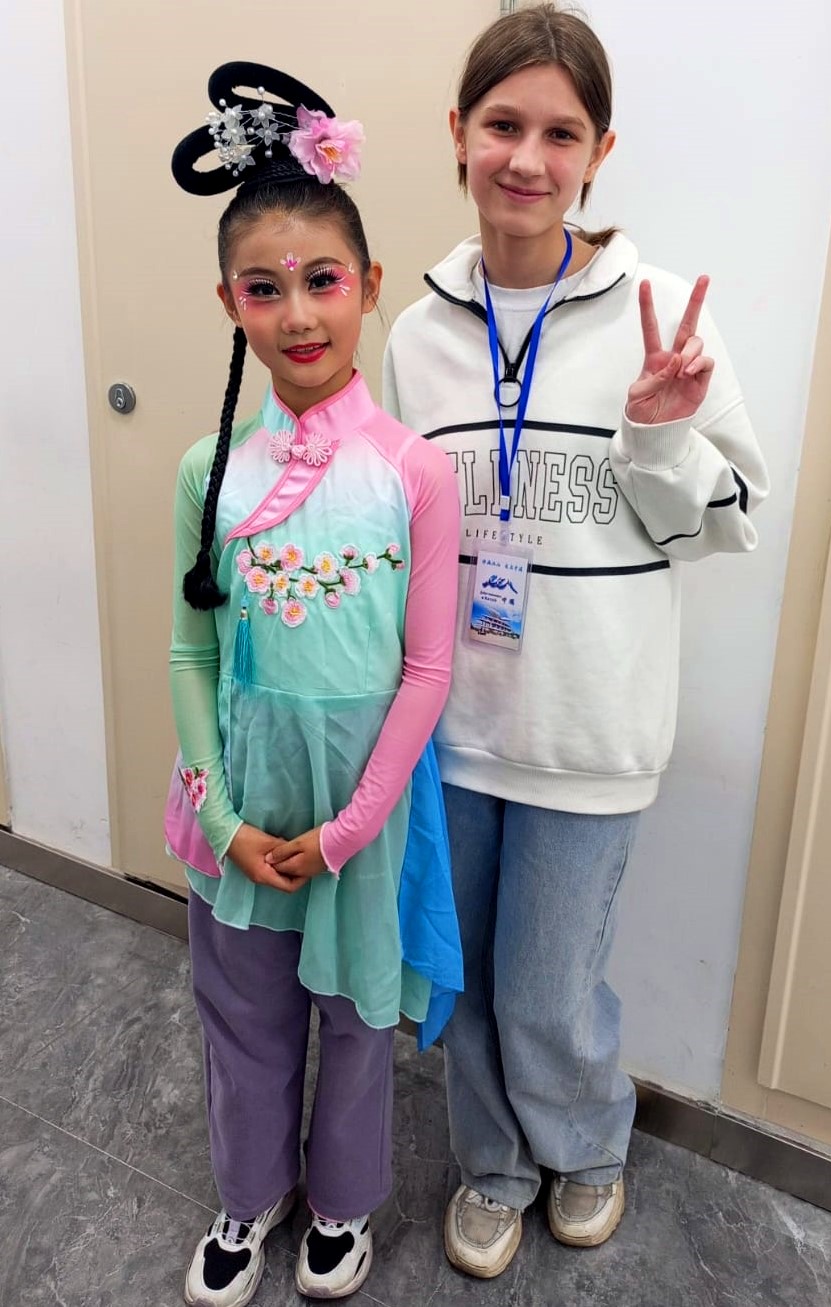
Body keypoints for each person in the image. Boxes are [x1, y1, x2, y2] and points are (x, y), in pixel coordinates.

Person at [383, 3, 769, 1279]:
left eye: (561, 133)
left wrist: (659, 434)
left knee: (548, 987)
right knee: (463, 979)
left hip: (589, 724)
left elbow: (727, 524)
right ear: (459, 132)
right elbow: (412, 530)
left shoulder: (660, 313)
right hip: (453, 725)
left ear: (601, 150)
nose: (527, 159)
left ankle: (589, 1143)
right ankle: (494, 1166)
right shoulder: (418, 332)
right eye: (503, 125)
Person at [164, 63, 461, 1306]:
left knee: (356, 1021)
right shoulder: (208, 469)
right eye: (265, 286)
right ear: (229, 301)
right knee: (244, 1019)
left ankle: (341, 1202)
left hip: (363, 813)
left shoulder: (415, 472)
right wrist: (224, 813)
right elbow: (190, 652)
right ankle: (249, 1195)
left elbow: (429, 665)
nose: (297, 313)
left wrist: (349, 827)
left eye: (322, 280)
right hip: (241, 802)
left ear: (370, 285)